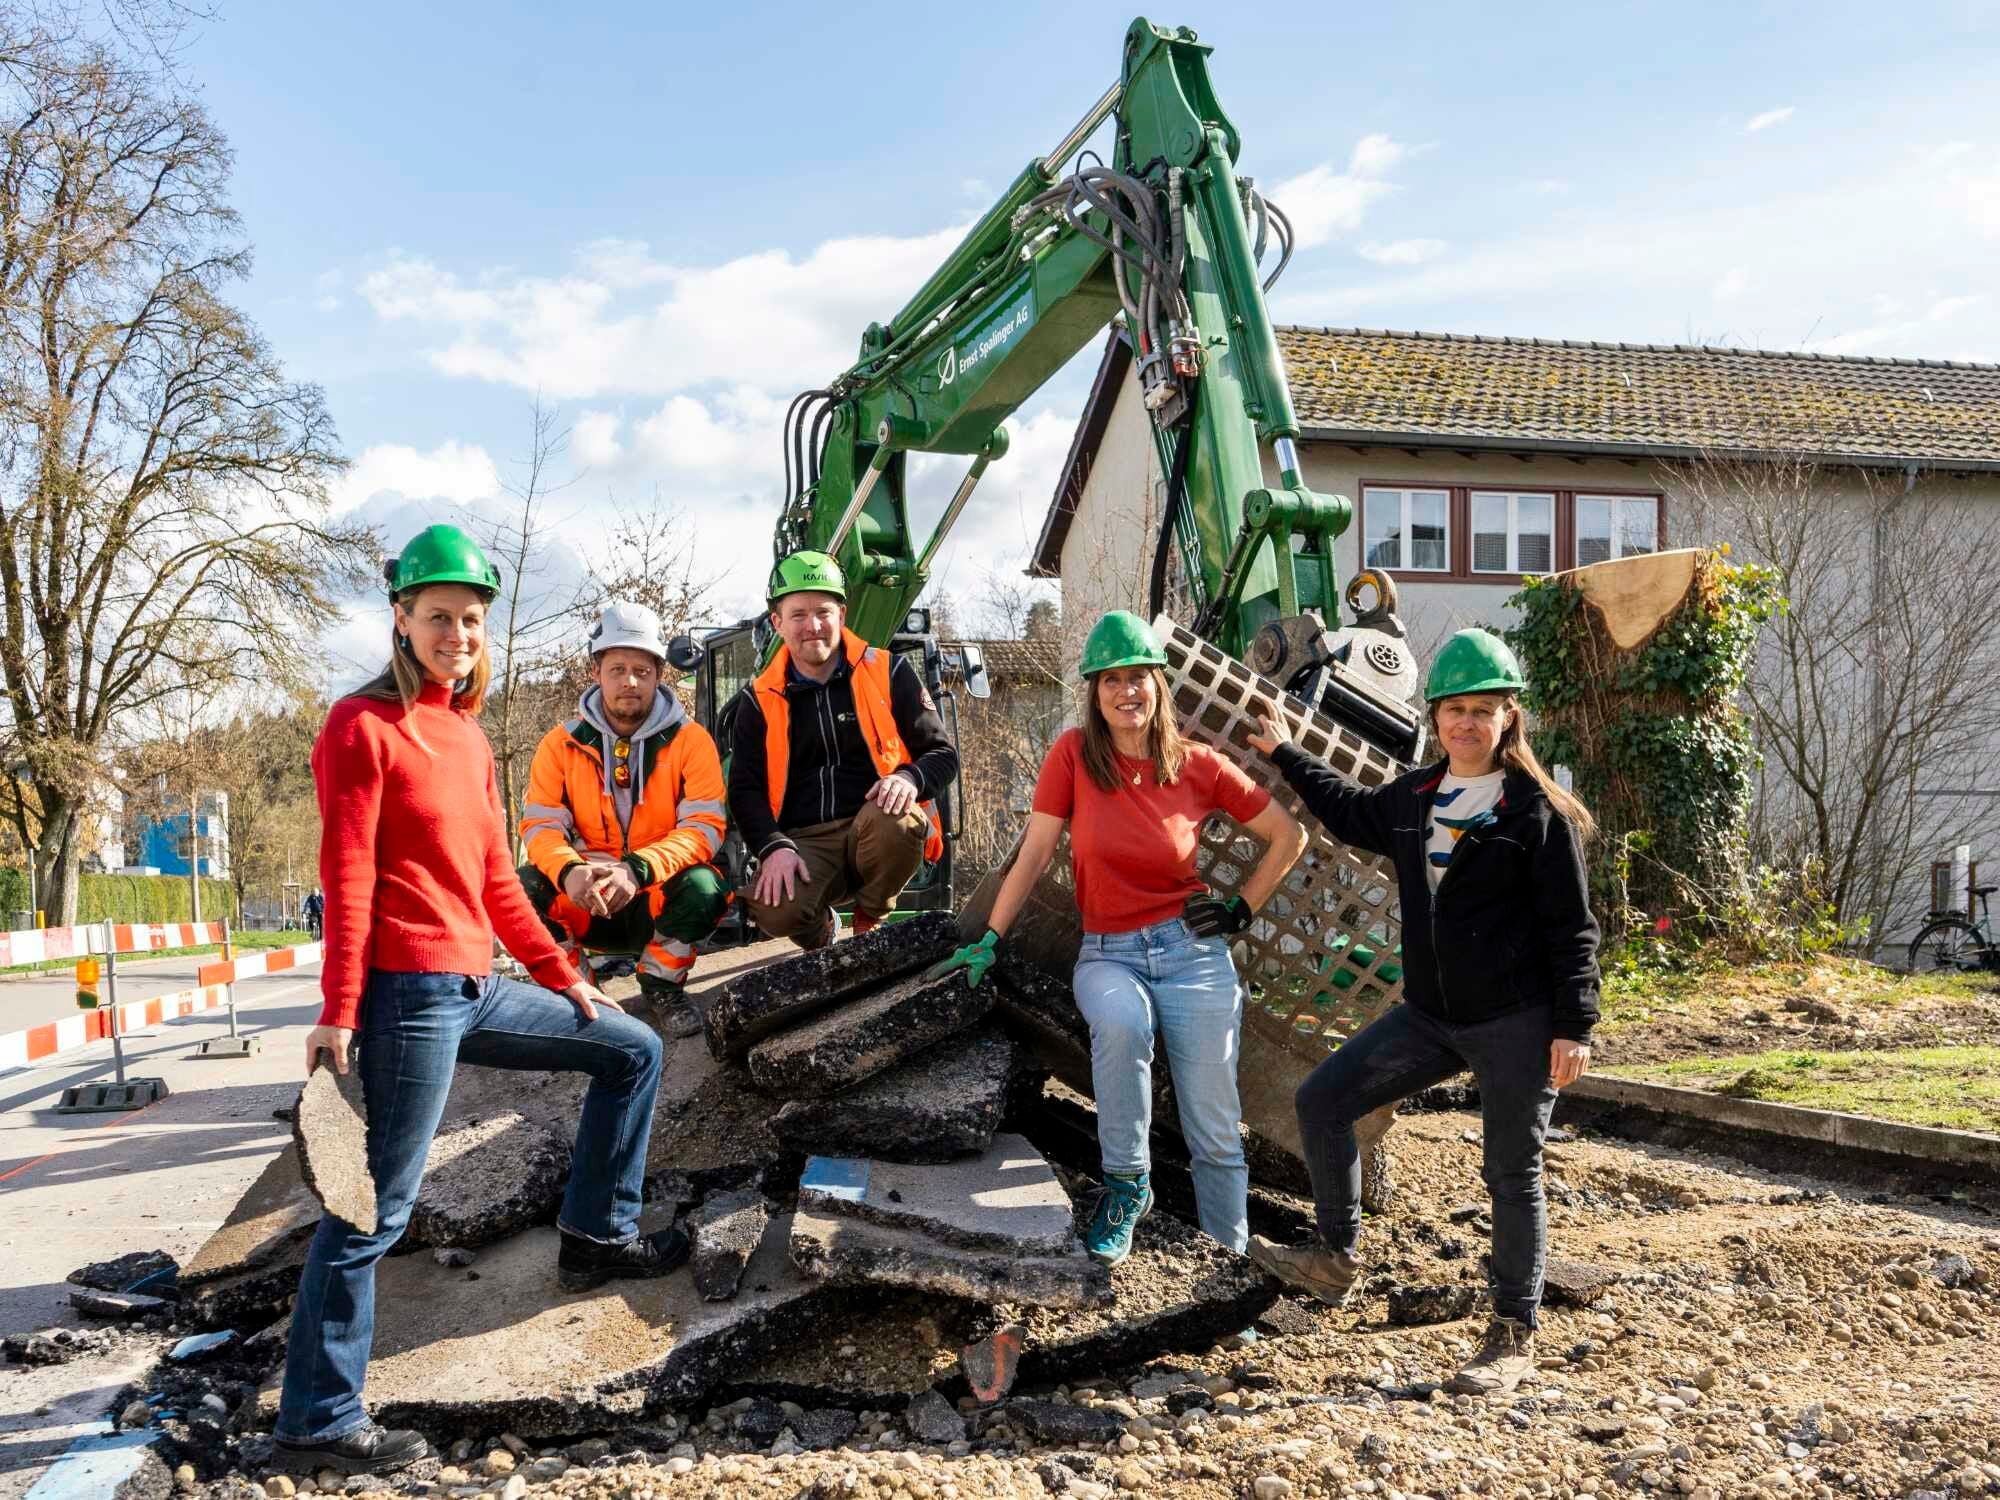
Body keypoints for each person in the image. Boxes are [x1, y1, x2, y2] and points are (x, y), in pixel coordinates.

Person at [273, 526, 685, 1478]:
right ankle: (319, 1418)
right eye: (438, 617)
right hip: (405, 994)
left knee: (629, 1048)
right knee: (375, 1210)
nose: (456, 633)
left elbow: (499, 880)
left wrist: (562, 977)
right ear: (402, 621)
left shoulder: (466, 736)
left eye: (469, 619)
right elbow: (349, 875)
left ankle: (596, 1233)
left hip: (477, 983)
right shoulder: (359, 727)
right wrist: (338, 1009)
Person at [1243, 627, 1600, 1398]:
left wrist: (1576, 1025)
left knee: (1511, 1171)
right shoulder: (1413, 799)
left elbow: (1573, 930)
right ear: (1434, 717)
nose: (1466, 724)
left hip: (1516, 1021)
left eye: (1482, 710)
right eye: (1453, 710)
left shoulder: (1537, 816)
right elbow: (1342, 808)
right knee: (1323, 1100)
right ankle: (1334, 1256)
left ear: (1509, 719)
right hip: (1434, 1014)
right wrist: (1283, 754)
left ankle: (1512, 1334)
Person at [935, 611, 1307, 1264]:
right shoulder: (1073, 757)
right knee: (1122, 1025)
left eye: (1137, 677)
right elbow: (1031, 855)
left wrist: (1240, 911)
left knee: (1213, 1125)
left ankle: (1227, 1270)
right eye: (1111, 680)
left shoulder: (1199, 766)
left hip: (1192, 957)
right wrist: (990, 937)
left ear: (1158, 685)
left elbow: (1287, 836)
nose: (1125, 691)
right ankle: (1127, 1187)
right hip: (1109, 953)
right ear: (1094, 692)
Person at [517, 600, 732, 1039]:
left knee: (706, 887)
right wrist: (571, 871)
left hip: (654, 896)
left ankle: (661, 984)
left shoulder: (692, 742)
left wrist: (637, 870)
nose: (629, 681)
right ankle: (577, 989)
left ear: (658, 673)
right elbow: (540, 829)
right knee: (520, 889)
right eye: (617, 669)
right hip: (586, 899)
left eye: (642, 669)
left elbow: (704, 829)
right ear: (596, 673)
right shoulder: (558, 746)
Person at [727, 550, 958, 948]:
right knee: (774, 908)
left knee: (899, 820)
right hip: (804, 840)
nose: (812, 625)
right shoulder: (757, 701)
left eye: (823, 612)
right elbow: (744, 789)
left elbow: (942, 755)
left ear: (842, 615)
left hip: (875, 824)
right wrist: (772, 847)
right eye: (798, 614)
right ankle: (822, 931)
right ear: (778, 622)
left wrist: (909, 778)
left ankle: (871, 916)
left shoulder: (889, 672)